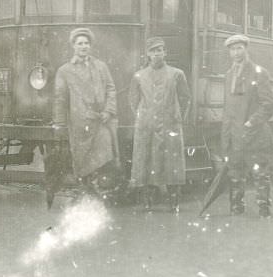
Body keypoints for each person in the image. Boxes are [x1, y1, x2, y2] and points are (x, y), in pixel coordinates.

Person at [53, 27, 120, 198]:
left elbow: (111, 89)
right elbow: (60, 98)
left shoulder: (101, 66)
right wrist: (59, 123)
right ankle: (85, 190)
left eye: (87, 43)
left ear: (91, 46)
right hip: (80, 122)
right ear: (73, 46)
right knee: (82, 158)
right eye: (80, 43)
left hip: (101, 120)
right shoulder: (65, 70)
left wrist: (108, 111)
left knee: (104, 152)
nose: (84, 46)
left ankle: (99, 188)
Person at [129, 37, 191, 212]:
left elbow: (186, 98)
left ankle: (174, 201)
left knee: (172, 164)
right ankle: (148, 201)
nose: (156, 54)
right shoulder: (139, 76)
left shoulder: (177, 74)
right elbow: (133, 101)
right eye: (153, 51)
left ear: (165, 53)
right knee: (146, 161)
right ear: (147, 54)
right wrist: (144, 118)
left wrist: (177, 118)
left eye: (160, 50)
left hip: (170, 125)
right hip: (147, 127)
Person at [222, 34, 273, 217]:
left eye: (239, 48)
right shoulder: (229, 75)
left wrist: (251, 122)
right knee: (235, 175)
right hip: (235, 135)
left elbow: (269, 104)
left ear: (246, 49)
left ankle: (264, 211)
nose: (236, 53)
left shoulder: (259, 72)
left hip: (255, 134)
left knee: (260, 174)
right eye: (232, 49)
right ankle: (236, 211)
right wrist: (227, 136)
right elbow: (228, 108)